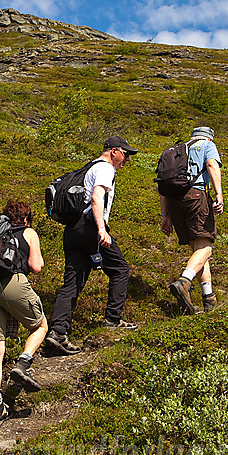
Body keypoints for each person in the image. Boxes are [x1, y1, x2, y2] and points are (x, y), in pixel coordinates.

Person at [46, 136, 139, 355]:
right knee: (120, 269)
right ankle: (112, 319)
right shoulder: (105, 169)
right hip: (90, 227)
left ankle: (58, 332)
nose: (127, 160)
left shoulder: (89, 167)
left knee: (73, 281)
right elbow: (97, 198)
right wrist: (101, 230)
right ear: (114, 151)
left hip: (73, 229)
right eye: (126, 154)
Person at [0, 199, 48, 428]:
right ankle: (23, 364)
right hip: (12, 283)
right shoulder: (29, 232)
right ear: (26, 218)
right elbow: (37, 266)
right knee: (41, 326)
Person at [160, 126, 224, 314]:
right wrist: (219, 194)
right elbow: (212, 165)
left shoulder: (176, 151)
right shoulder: (206, 145)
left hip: (174, 201)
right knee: (206, 246)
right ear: (209, 138)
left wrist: (165, 215)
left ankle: (208, 297)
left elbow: (163, 186)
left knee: (198, 249)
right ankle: (184, 281)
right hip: (196, 196)